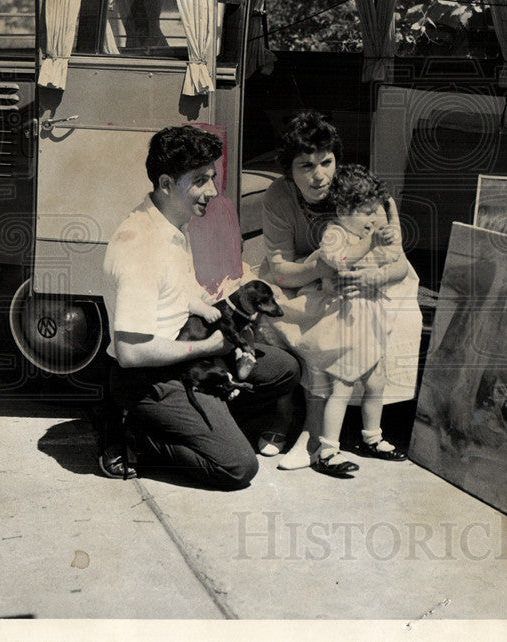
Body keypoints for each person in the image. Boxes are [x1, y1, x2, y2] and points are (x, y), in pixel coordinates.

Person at [100, 125, 299, 489]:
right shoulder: (142, 247)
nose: (212, 191)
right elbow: (130, 352)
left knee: (284, 369)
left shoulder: (171, 223)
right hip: (148, 378)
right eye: (200, 180)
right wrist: (211, 348)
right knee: (237, 467)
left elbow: (179, 293)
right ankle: (136, 438)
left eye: (212, 178)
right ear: (165, 183)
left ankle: (206, 415)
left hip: (183, 356)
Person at [259, 112, 421, 476]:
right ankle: (290, 415)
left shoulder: (354, 192)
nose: (320, 175)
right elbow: (282, 269)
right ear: (289, 170)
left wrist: (370, 277)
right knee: (283, 313)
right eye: (306, 166)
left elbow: (397, 262)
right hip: (304, 276)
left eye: (326, 161)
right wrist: (320, 267)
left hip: (365, 282)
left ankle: (321, 434)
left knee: (337, 326)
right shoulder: (279, 196)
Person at [288, 164, 413, 476]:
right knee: (340, 388)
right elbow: (339, 261)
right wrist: (369, 243)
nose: (373, 219)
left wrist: (382, 255)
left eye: (375, 212)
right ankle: (326, 448)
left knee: (375, 383)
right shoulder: (335, 233)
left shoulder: (368, 233)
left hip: (370, 322)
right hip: (345, 323)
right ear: (343, 209)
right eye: (367, 212)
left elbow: (395, 262)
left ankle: (373, 437)